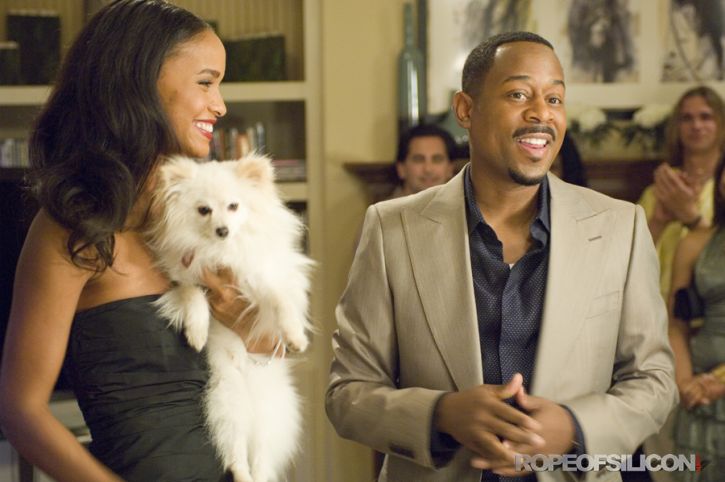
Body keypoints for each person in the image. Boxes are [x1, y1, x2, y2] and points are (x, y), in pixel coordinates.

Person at [326, 31, 677, 482]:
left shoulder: (620, 227)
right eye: (518, 94)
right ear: (465, 110)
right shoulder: (391, 228)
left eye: (554, 99)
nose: (541, 114)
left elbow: (654, 381)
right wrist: (440, 414)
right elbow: (347, 392)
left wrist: (574, 428)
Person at [0, 1, 276, 481]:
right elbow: (22, 411)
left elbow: (271, 347)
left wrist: (240, 313)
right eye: (206, 82)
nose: (220, 105)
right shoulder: (73, 226)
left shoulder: (210, 216)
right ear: (143, 81)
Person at [666, 155, 725, 481]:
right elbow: (676, 323)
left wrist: (720, 382)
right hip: (699, 393)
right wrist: (685, 382)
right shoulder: (694, 244)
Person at [391, 123, 457, 198]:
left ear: (450, 168)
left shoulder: (463, 204)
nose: (428, 169)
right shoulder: (384, 206)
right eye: (419, 160)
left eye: (437, 160)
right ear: (401, 169)